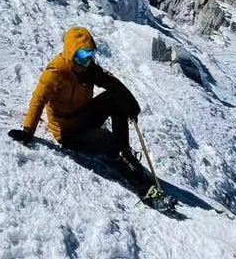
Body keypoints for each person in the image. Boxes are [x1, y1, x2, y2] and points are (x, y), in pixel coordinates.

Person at [8, 26, 148, 182]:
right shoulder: (55, 73)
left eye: (90, 55)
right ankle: (132, 174)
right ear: (71, 52)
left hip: (84, 116)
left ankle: (124, 151)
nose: (86, 61)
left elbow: (112, 83)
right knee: (110, 141)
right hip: (68, 132)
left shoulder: (88, 68)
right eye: (82, 55)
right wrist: (27, 131)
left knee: (117, 98)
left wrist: (131, 105)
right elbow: (38, 100)